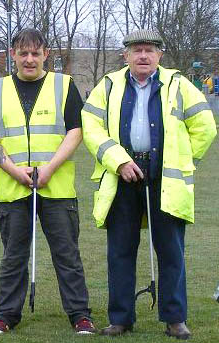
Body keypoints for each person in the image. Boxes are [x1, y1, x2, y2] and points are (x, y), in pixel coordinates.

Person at [82, 30, 217, 339]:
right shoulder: (108, 85)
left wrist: (181, 160)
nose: (143, 55)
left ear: (160, 55)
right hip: (121, 177)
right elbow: (90, 127)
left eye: (149, 50)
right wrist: (117, 159)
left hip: (165, 180)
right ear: (125, 55)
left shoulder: (179, 85)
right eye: (136, 50)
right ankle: (120, 319)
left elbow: (205, 127)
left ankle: (175, 319)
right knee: (120, 252)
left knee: (171, 252)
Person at [0, 28, 96, 335]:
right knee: (13, 257)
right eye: (23, 53)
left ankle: (80, 315)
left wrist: (51, 168)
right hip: (13, 188)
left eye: (36, 53)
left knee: (67, 256)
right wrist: (14, 170)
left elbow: (76, 131)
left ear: (46, 54)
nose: (29, 59)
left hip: (56, 188)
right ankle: (6, 315)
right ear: (13, 54)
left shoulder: (64, 84)